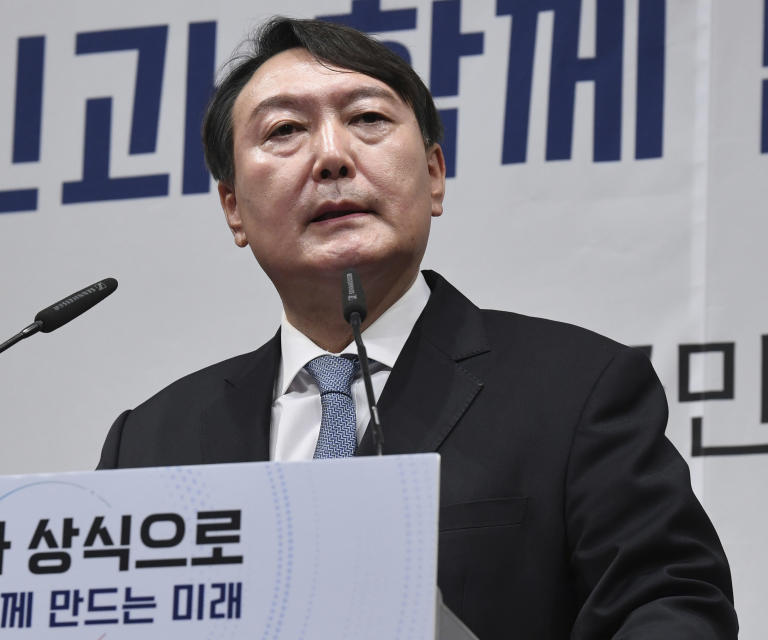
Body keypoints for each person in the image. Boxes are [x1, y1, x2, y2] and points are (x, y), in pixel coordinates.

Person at [98, 17, 737, 638]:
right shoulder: (152, 443)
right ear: (233, 208)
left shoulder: (574, 389)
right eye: (286, 129)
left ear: (433, 175)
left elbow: (672, 606)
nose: (331, 157)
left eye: (368, 119)